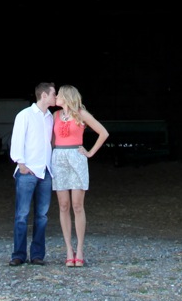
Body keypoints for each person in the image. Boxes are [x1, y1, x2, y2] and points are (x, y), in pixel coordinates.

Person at [52, 85, 109, 267]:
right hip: (59, 158)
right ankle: (69, 249)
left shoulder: (81, 114)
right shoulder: (55, 116)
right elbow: (51, 140)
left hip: (76, 158)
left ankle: (81, 249)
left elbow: (103, 132)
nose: (56, 98)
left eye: (59, 95)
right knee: (63, 205)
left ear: (67, 97)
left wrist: (90, 152)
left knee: (77, 205)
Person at [8, 82, 56, 265]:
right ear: (44, 95)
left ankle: (37, 254)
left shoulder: (50, 117)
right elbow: (17, 138)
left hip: (44, 171)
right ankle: (19, 255)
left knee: (42, 216)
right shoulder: (25, 115)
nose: (55, 97)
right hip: (28, 170)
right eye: (53, 94)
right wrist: (20, 163)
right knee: (22, 215)